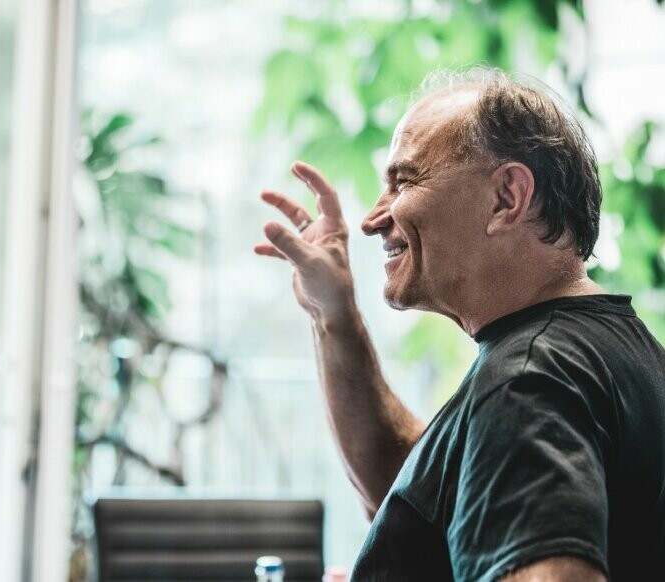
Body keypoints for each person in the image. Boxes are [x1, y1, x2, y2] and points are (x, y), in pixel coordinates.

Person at [254, 68, 665, 581]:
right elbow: (430, 504)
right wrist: (332, 314)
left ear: (507, 198)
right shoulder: (607, 350)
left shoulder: (528, 380)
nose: (373, 217)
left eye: (403, 181)